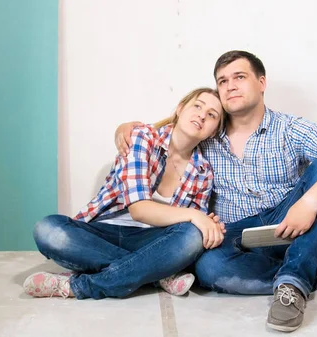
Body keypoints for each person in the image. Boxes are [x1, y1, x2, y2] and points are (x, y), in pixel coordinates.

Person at [114, 51, 317, 332]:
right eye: (222, 81)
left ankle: (292, 285)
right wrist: (126, 128)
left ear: (261, 83)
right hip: (235, 234)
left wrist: (309, 203)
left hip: (291, 221)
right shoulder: (207, 133)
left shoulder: (289, 128)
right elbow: (170, 136)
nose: (230, 86)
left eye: (239, 77)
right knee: (208, 268)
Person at [23, 87, 228, 300]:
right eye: (197, 106)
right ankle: (156, 274)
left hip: (153, 240)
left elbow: (190, 227)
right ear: (180, 109)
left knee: (192, 236)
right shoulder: (143, 138)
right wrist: (195, 216)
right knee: (47, 230)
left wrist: (206, 225)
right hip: (103, 232)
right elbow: (139, 209)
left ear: (213, 131)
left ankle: (81, 286)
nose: (202, 115)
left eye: (212, 115)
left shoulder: (203, 172)